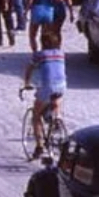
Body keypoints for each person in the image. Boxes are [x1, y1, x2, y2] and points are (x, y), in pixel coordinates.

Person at [22, 28, 66, 159]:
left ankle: (39, 146)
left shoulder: (39, 55)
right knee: (56, 100)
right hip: (62, 85)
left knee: (36, 116)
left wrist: (27, 83)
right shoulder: (61, 54)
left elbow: (29, 69)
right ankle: (57, 119)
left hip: (47, 86)